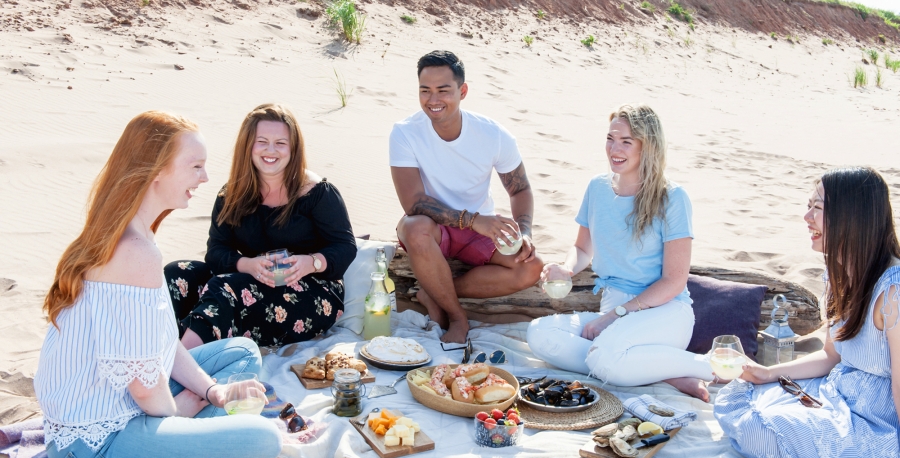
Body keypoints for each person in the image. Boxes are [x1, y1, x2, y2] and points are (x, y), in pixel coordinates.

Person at [35, 111, 281, 458]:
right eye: (195, 166)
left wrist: (212, 392)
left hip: (113, 409)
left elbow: (162, 343)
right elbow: (145, 388)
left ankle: (191, 453)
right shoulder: (135, 253)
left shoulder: (130, 232)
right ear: (156, 172)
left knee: (241, 353)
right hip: (95, 444)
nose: (205, 177)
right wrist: (181, 410)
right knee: (263, 440)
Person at [714, 167, 900, 458]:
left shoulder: (892, 292)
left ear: (851, 217)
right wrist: (768, 373)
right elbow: (832, 355)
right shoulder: (841, 272)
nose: (806, 217)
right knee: (737, 396)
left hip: (873, 425)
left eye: (818, 208)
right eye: (808, 205)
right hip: (836, 393)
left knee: (759, 433)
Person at [526, 104, 713, 401]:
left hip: (662, 313)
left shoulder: (673, 198)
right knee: (539, 334)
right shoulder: (597, 187)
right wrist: (567, 269)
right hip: (613, 309)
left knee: (604, 357)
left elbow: (674, 282)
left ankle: (710, 366)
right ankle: (667, 373)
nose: (615, 148)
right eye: (611, 138)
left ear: (647, 146)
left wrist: (613, 317)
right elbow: (582, 247)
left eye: (626, 141)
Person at [166, 103, 357, 349]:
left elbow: (345, 247)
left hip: (312, 292)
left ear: (293, 148)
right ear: (248, 145)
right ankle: (161, 346)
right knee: (178, 272)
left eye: (280, 143)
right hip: (249, 281)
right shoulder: (232, 194)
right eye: (262, 141)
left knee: (223, 288)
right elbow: (216, 252)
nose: (271, 150)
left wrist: (310, 263)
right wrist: (249, 265)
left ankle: (182, 365)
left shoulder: (317, 193)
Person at [391, 50, 543, 343]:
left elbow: (520, 189)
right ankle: (458, 318)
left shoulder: (493, 134)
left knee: (531, 268)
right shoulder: (405, 133)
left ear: (462, 91)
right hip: (435, 227)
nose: (433, 100)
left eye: (443, 91)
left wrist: (524, 232)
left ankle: (434, 292)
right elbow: (413, 203)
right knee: (414, 226)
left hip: (478, 230)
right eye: (425, 91)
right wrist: (473, 221)